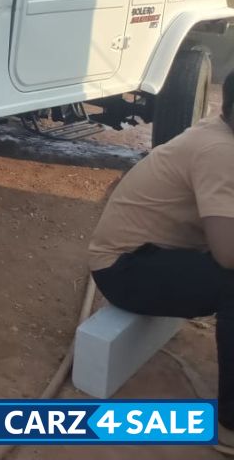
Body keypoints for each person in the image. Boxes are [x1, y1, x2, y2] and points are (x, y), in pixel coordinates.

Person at [90, 69, 234, 453]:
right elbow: (228, 254)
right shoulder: (221, 152)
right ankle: (229, 425)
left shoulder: (221, 131)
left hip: (155, 254)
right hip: (125, 270)